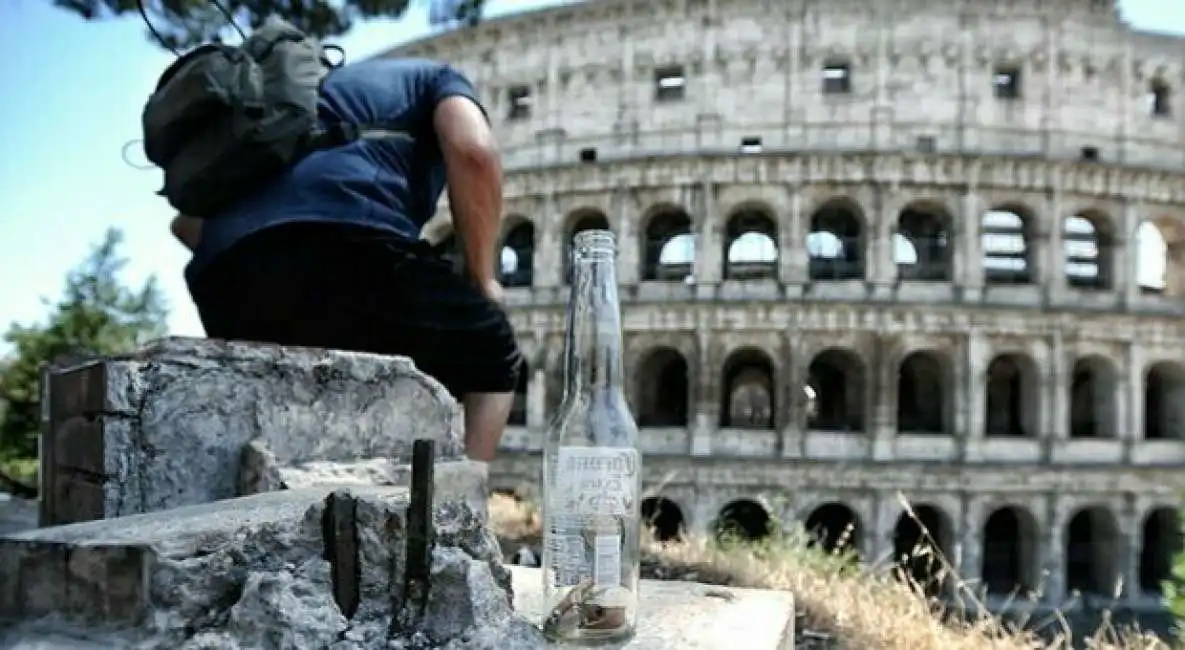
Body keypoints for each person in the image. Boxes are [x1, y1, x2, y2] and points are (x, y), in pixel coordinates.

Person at [169, 57, 522, 463]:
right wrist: (483, 277)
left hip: (222, 277)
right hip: (349, 248)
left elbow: (184, 227)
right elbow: (474, 151)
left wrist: (262, 260)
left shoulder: (280, 108)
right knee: (494, 352)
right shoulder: (437, 77)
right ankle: (459, 508)